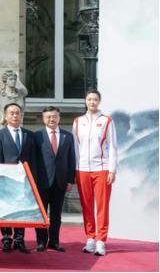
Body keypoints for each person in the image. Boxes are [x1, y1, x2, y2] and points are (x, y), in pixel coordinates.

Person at [73, 90, 117, 256]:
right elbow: (75, 147)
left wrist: (112, 169)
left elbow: (112, 147)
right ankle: (90, 238)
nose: (92, 102)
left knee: (102, 206)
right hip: (82, 169)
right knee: (86, 205)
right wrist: (74, 170)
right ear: (85, 101)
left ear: (99, 101)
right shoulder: (78, 121)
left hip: (102, 169)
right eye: (89, 99)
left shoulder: (107, 121)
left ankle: (101, 241)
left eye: (95, 99)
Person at [0, 103, 38, 254]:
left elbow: (33, 159)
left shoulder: (29, 135)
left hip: (24, 179)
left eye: (17, 113)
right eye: (11, 113)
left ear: (21, 115)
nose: (14, 115)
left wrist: (32, 179)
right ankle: (6, 239)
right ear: (5, 116)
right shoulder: (0, 135)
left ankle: (19, 240)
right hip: (6, 178)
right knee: (6, 209)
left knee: (21, 209)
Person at [34, 106, 76, 253]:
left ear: (59, 118)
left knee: (56, 214)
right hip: (41, 181)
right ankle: (41, 242)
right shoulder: (37, 136)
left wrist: (71, 180)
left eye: (54, 116)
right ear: (43, 118)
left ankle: (54, 242)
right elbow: (34, 160)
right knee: (41, 213)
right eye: (48, 117)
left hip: (60, 181)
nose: (52, 119)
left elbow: (71, 159)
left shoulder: (67, 136)